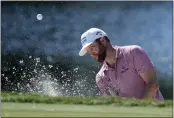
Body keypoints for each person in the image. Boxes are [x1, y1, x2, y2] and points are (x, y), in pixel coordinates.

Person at [79, 28, 164, 100]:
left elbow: (153, 84)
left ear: (103, 40)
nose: (91, 53)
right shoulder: (101, 77)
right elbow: (110, 106)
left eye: (92, 47)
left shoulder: (133, 52)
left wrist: (139, 109)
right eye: (88, 50)